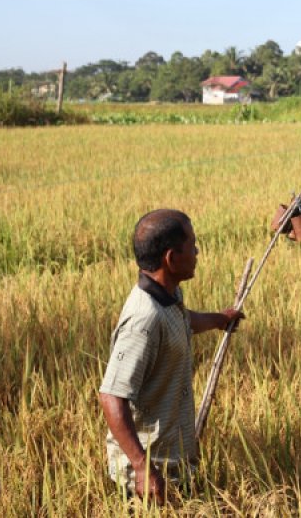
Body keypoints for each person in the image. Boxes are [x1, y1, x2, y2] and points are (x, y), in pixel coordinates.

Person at [99, 209, 244, 504]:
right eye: (192, 244)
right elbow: (111, 397)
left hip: (173, 465)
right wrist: (142, 468)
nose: (197, 251)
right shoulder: (143, 321)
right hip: (146, 479)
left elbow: (182, 319)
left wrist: (219, 319)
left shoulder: (168, 296)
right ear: (171, 258)